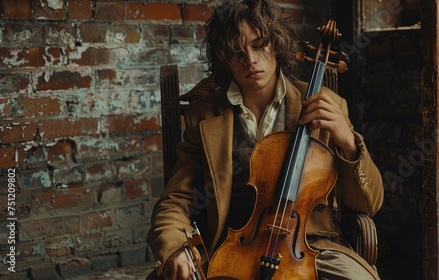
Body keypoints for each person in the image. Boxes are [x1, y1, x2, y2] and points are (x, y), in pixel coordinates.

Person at [147, 0, 384, 279]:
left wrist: (348, 142)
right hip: (230, 247)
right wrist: (175, 247)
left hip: (309, 247)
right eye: (237, 51)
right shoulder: (204, 115)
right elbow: (176, 200)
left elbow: (368, 205)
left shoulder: (327, 104)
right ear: (224, 58)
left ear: (277, 45)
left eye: (259, 45)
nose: (250, 60)